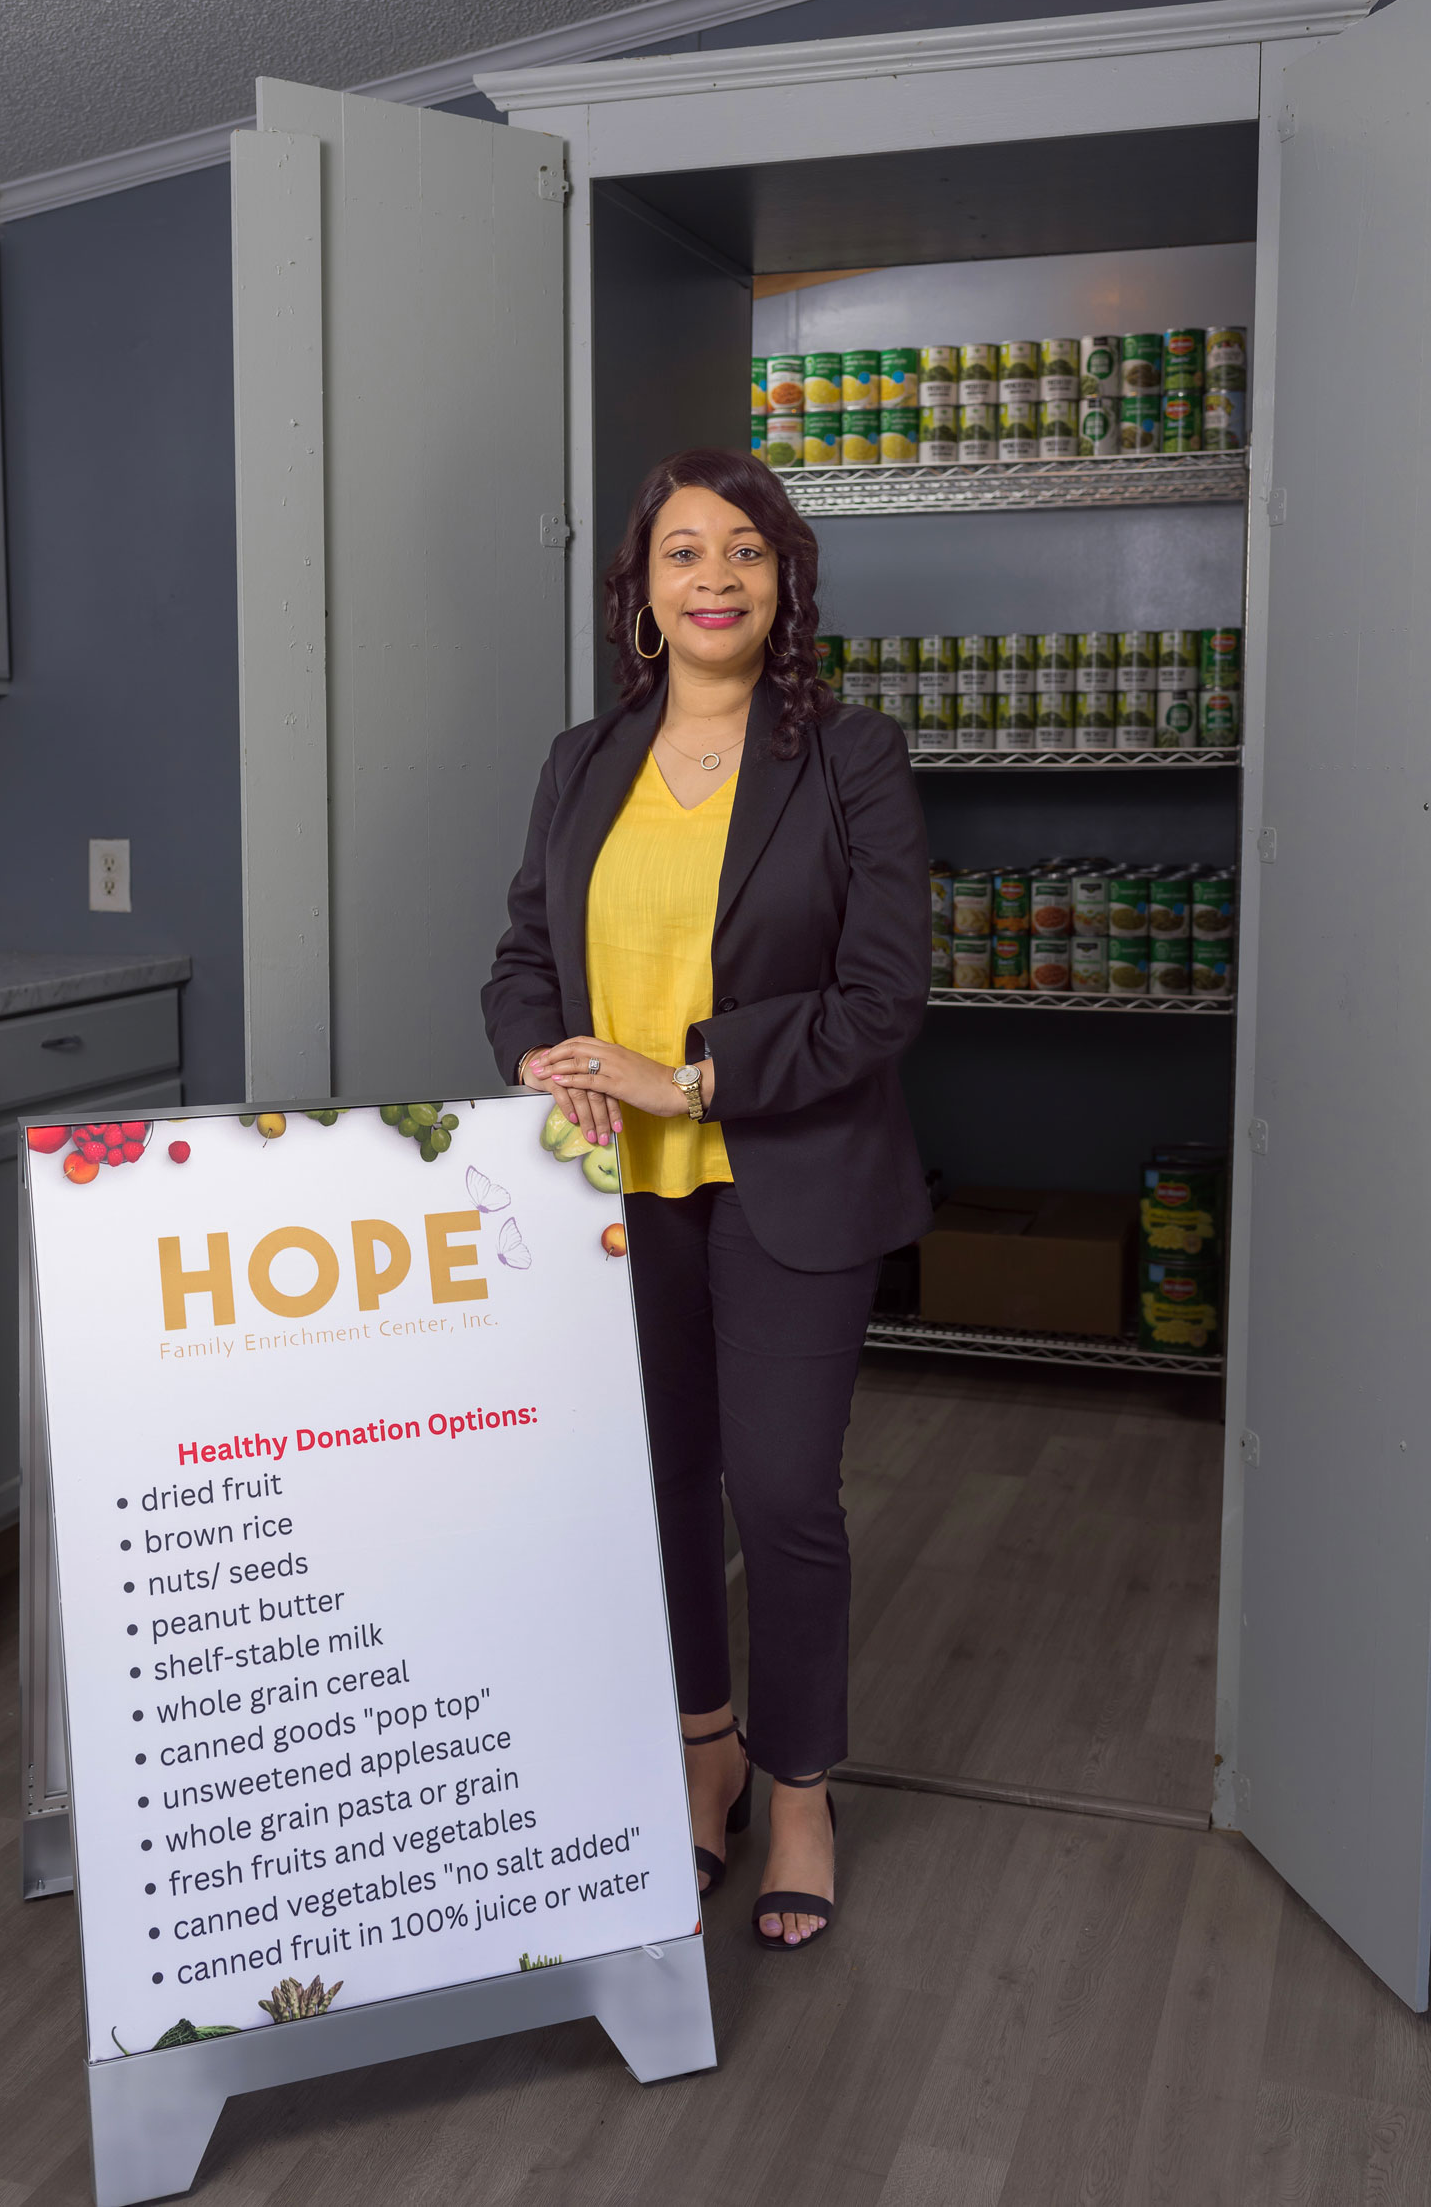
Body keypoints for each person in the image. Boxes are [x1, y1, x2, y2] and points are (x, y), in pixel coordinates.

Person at [482, 447, 931, 1948]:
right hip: (621, 1194)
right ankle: (706, 1756)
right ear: (643, 590)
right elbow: (524, 955)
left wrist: (685, 1075)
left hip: (787, 1174)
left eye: (746, 550)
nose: (717, 577)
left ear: (785, 581)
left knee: (786, 1491)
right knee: (660, 1487)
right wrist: (540, 1053)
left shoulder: (850, 755)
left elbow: (881, 999)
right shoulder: (581, 759)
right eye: (685, 552)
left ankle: (801, 1786)